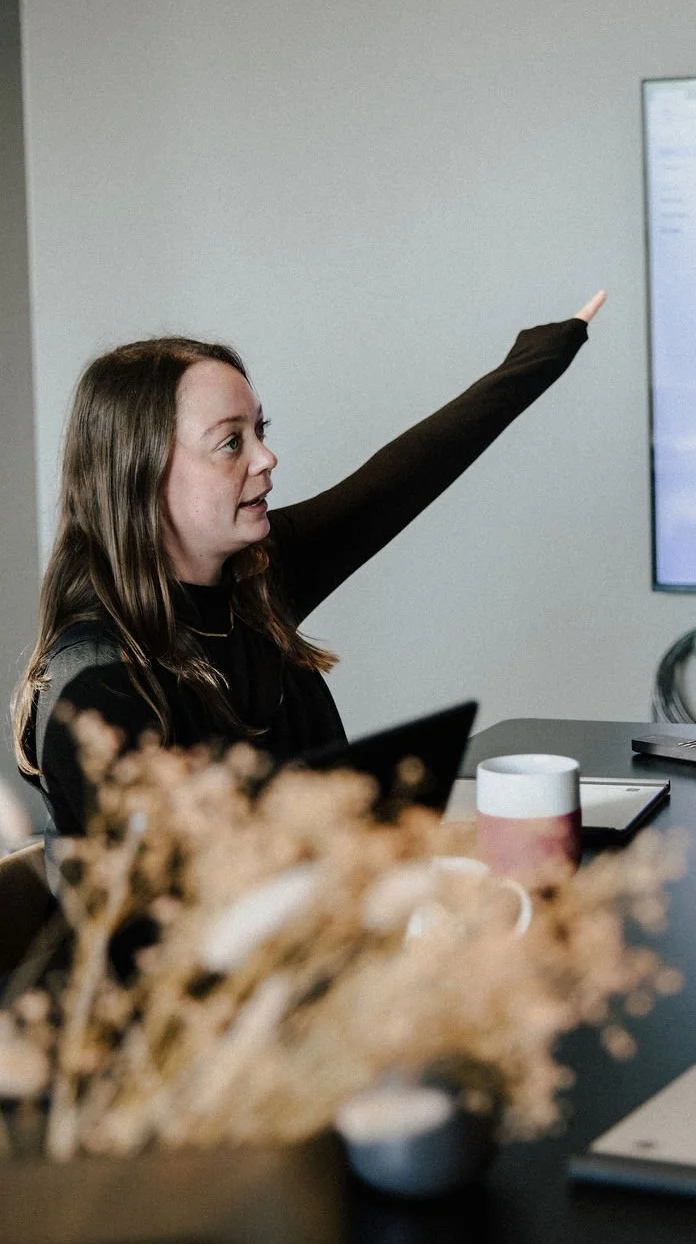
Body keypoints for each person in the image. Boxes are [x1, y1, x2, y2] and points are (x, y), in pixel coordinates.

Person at [13, 292, 606, 836]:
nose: (267, 457)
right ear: (140, 474)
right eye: (230, 442)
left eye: (259, 430)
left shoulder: (255, 580)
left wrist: (531, 365)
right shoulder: (93, 684)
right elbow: (164, 923)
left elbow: (397, 481)